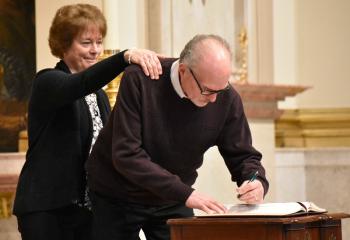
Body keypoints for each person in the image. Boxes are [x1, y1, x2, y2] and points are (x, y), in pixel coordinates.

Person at [86, 34, 269, 240]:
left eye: (222, 89)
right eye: (207, 90)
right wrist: (186, 193)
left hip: (171, 199)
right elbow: (127, 155)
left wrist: (256, 180)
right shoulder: (140, 79)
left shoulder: (225, 98)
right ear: (183, 71)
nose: (214, 99)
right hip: (117, 194)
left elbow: (243, 155)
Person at [13, 4, 163, 240]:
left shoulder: (99, 95)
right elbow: (78, 85)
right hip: (47, 209)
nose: (95, 50)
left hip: (86, 209)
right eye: (86, 43)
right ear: (64, 45)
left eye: (99, 42)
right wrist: (124, 57)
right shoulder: (48, 81)